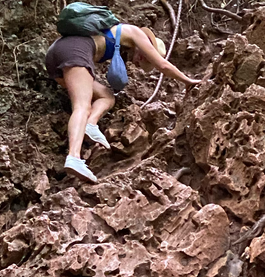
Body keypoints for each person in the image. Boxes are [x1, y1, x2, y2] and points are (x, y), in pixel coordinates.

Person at [46, 22, 200, 183]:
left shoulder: (118, 39)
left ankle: (90, 124)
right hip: (75, 50)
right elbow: (162, 65)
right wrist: (187, 81)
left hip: (56, 54)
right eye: (144, 59)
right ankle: (74, 157)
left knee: (106, 96)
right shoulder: (135, 32)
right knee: (81, 106)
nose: (137, 62)